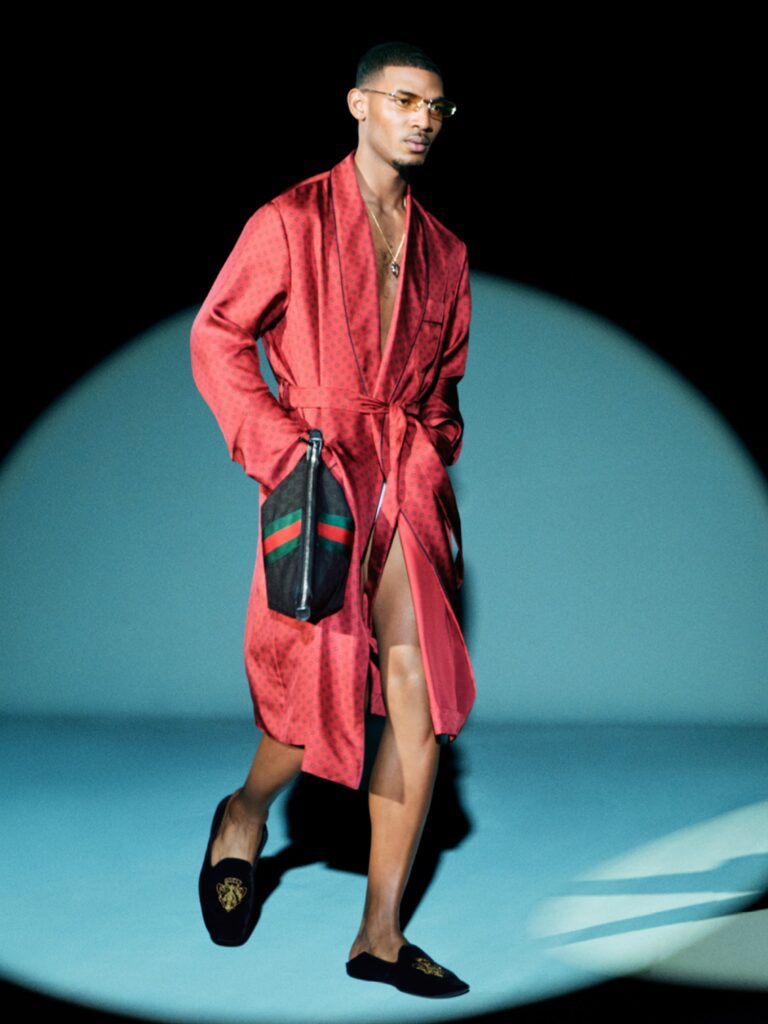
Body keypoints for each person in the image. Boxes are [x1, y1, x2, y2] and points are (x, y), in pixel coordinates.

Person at [191, 40, 475, 998]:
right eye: (404, 100)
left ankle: (379, 937)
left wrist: (432, 443)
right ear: (358, 104)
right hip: (319, 480)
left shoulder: (446, 252)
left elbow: (445, 381)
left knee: (417, 695)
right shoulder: (291, 219)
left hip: (408, 486)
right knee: (309, 704)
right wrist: (281, 449)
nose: (422, 120)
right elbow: (217, 336)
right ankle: (243, 816)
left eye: (436, 107)